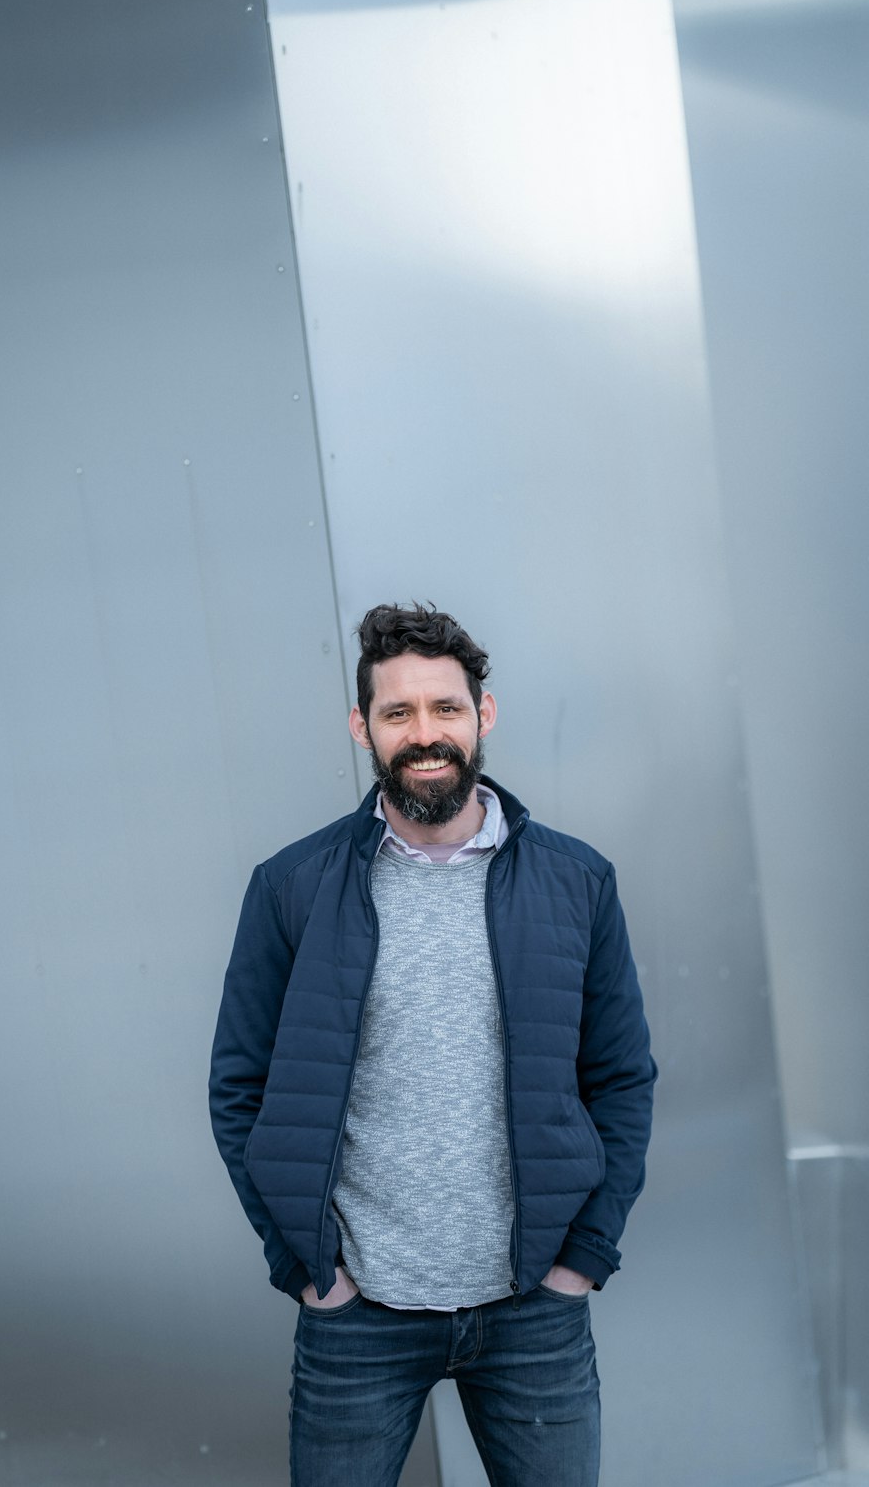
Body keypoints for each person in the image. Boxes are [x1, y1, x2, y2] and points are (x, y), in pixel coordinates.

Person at [209, 602, 656, 1487]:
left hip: (536, 1308)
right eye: (398, 713)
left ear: (483, 716)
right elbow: (240, 1090)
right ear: (362, 728)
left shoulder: (577, 882)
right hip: (358, 1316)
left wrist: (583, 1262)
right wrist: (307, 1271)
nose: (426, 733)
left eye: (446, 709)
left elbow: (622, 1079)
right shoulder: (291, 888)